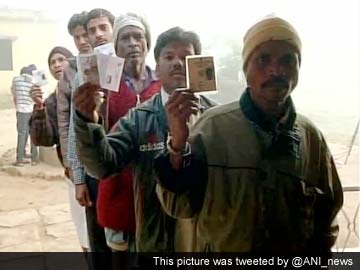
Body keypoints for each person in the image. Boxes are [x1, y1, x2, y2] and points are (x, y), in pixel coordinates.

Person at [154, 16, 344, 253]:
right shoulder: (212, 129)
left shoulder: (311, 138)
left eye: (287, 60)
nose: (276, 70)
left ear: (298, 69)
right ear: (246, 69)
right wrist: (178, 145)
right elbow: (179, 207)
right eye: (263, 60)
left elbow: (326, 219)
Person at [73, 27, 216, 254]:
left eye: (186, 57)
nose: (178, 63)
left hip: (206, 242)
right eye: (169, 57)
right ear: (157, 68)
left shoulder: (214, 118)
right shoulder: (138, 119)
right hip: (156, 241)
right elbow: (102, 165)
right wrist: (87, 121)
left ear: (199, 64)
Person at [94, 13, 161, 256]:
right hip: (117, 190)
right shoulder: (105, 87)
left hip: (158, 190)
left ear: (147, 43)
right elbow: (88, 137)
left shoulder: (162, 83)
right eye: (125, 38)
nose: (133, 43)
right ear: (116, 46)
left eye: (138, 37)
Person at [56, 11, 92, 253]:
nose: (81, 41)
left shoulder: (113, 62)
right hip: (79, 154)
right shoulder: (70, 72)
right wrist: (71, 163)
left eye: (83, 34)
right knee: (85, 222)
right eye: (75, 37)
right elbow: (65, 120)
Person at [11, 65, 39, 166]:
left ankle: (20, 159)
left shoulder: (16, 80)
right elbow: (39, 95)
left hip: (21, 110)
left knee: (22, 133)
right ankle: (35, 158)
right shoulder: (34, 81)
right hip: (32, 110)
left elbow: (14, 95)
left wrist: (18, 106)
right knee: (33, 134)